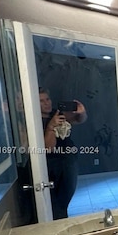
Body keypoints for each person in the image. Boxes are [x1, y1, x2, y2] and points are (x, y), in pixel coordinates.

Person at [39, 87, 87, 219]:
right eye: (41, 101)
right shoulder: (34, 121)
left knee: (65, 199)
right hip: (51, 165)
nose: (46, 103)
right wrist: (51, 127)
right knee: (56, 203)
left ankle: (61, 221)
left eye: (47, 99)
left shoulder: (56, 113)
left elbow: (78, 120)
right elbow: (48, 148)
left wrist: (81, 112)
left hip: (68, 161)